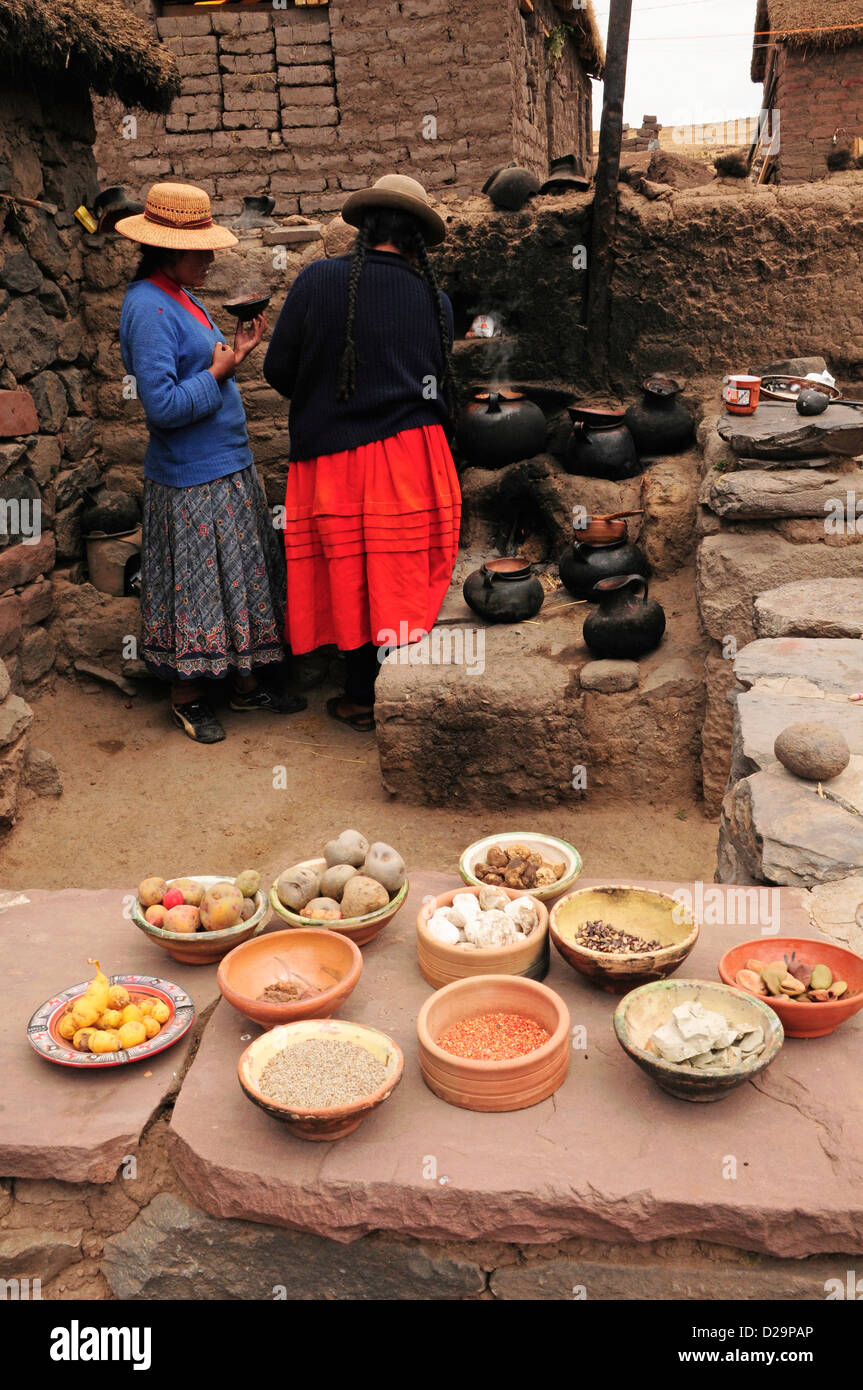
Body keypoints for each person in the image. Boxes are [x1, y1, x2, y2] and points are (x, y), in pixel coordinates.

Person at [263, 174, 461, 732]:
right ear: (419, 238)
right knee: (397, 574)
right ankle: (400, 696)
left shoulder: (317, 281)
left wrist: (330, 396)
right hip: (412, 456)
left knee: (349, 573)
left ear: (364, 227)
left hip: (333, 462)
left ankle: (360, 694)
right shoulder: (435, 300)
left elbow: (278, 370)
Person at [115, 182, 306, 743]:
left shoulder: (180, 296)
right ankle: (187, 695)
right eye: (202, 250)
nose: (212, 258)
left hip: (225, 468)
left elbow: (204, 370)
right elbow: (165, 406)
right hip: (190, 478)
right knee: (198, 591)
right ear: (169, 249)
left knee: (237, 583)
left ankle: (245, 686)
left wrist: (238, 354)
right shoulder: (148, 307)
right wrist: (220, 374)